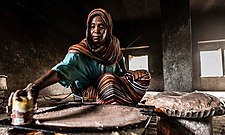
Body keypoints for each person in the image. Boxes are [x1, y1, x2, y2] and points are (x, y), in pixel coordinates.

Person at [8, 8, 151, 106]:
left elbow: (119, 59)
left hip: (113, 84)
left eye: (101, 26)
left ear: (108, 29)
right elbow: (62, 69)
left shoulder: (114, 45)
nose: (96, 31)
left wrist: (124, 74)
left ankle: (117, 97)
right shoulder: (80, 52)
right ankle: (113, 102)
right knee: (108, 80)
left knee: (143, 75)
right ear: (88, 28)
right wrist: (35, 86)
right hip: (91, 89)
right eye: (92, 26)